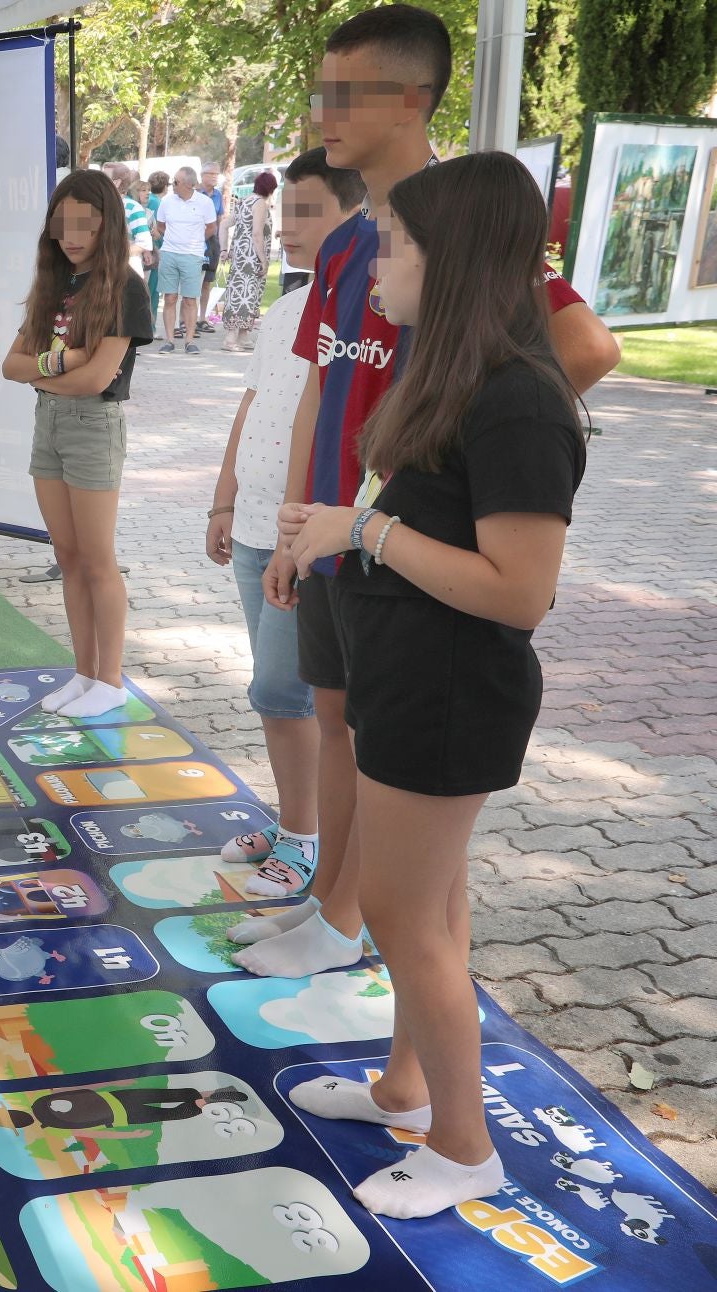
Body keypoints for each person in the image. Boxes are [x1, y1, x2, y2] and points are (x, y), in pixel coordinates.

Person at [238, 4, 620, 982]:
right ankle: (331, 911)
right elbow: (319, 387)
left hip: (406, 556)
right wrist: (295, 527)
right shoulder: (340, 241)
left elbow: (580, 347)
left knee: (388, 754)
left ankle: (358, 938)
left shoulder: (457, 222)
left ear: (411, 100)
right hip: (336, 532)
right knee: (333, 721)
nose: (324, 108)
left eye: (347, 91)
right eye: (321, 87)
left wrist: (455, 459)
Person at [279, 151, 587, 1221]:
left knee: (403, 912)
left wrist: (364, 529)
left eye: (398, 246)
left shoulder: (520, 404)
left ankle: (464, 1145)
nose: (375, 266)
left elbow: (518, 591)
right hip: (405, 674)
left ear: (450, 261)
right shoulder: (451, 377)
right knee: (430, 909)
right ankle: (405, 1087)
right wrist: (341, 535)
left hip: (449, 692)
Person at [205, 149, 364, 907]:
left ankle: (306, 837)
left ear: (353, 215)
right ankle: (297, 819)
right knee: (281, 698)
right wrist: (223, 500)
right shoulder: (284, 308)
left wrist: (302, 528)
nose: (289, 228)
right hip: (257, 526)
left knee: (280, 690)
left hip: (307, 533)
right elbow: (251, 406)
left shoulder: (366, 304)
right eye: (283, 212)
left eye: (309, 211)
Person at [1, 171, 155, 719]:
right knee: (67, 558)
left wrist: (42, 373)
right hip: (50, 424)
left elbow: (98, 380)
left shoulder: (124, 285)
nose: (71, 235)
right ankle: (84, 672)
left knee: (97, 560)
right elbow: (10, 365)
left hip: (93, 426)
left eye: (84, 223)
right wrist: (60, 362)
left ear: (106, 223)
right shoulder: (54, 283)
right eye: (61, 224)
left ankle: (110, 679)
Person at [153, 167, 217, 355]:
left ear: (189, 185)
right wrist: (174, 239)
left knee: (190, 299)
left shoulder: (204, 203)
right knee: (170, 298)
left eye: (176, 182)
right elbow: (161, 225)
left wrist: (195, 242)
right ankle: (170, 339)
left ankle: (190, 340)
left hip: (192, 255)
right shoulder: (167, 202)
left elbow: (211, 228)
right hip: (169, 253)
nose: (172, 185)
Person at [220, 169, 277, 350]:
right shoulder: (260, 203)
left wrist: (224, 249)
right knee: (244, 295)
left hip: (239, 257)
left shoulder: (245, 201)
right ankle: (230, 338)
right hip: (252, 257)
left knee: (244, 294)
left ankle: (243, 336)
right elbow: (257, 233)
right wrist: (263, 260)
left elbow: (224, 225)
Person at [106, 162, 155, 277]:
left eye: (104, 178)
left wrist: (114, 257)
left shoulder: (133, 208)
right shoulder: (101, 206)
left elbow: (144, 243)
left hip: (127, 274)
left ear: (117, 182)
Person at [197, 165, 226, 334]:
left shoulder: (218, 195)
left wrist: (221, 245)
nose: (215, 177)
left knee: (207, 281)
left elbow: (220, 218)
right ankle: (186, 319)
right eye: (212, 174)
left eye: (217, 174)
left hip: (212, 241)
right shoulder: (195, 193)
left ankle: (203, 317)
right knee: (193, 281)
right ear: (203, 175)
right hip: (196, 240)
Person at [144, 171, 168, 324]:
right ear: (165, 186)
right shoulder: (158, 203)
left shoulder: (150, 200)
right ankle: (150, 325)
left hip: (150, 248)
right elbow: (160, 228)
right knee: (152, 291)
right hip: (154, 249)